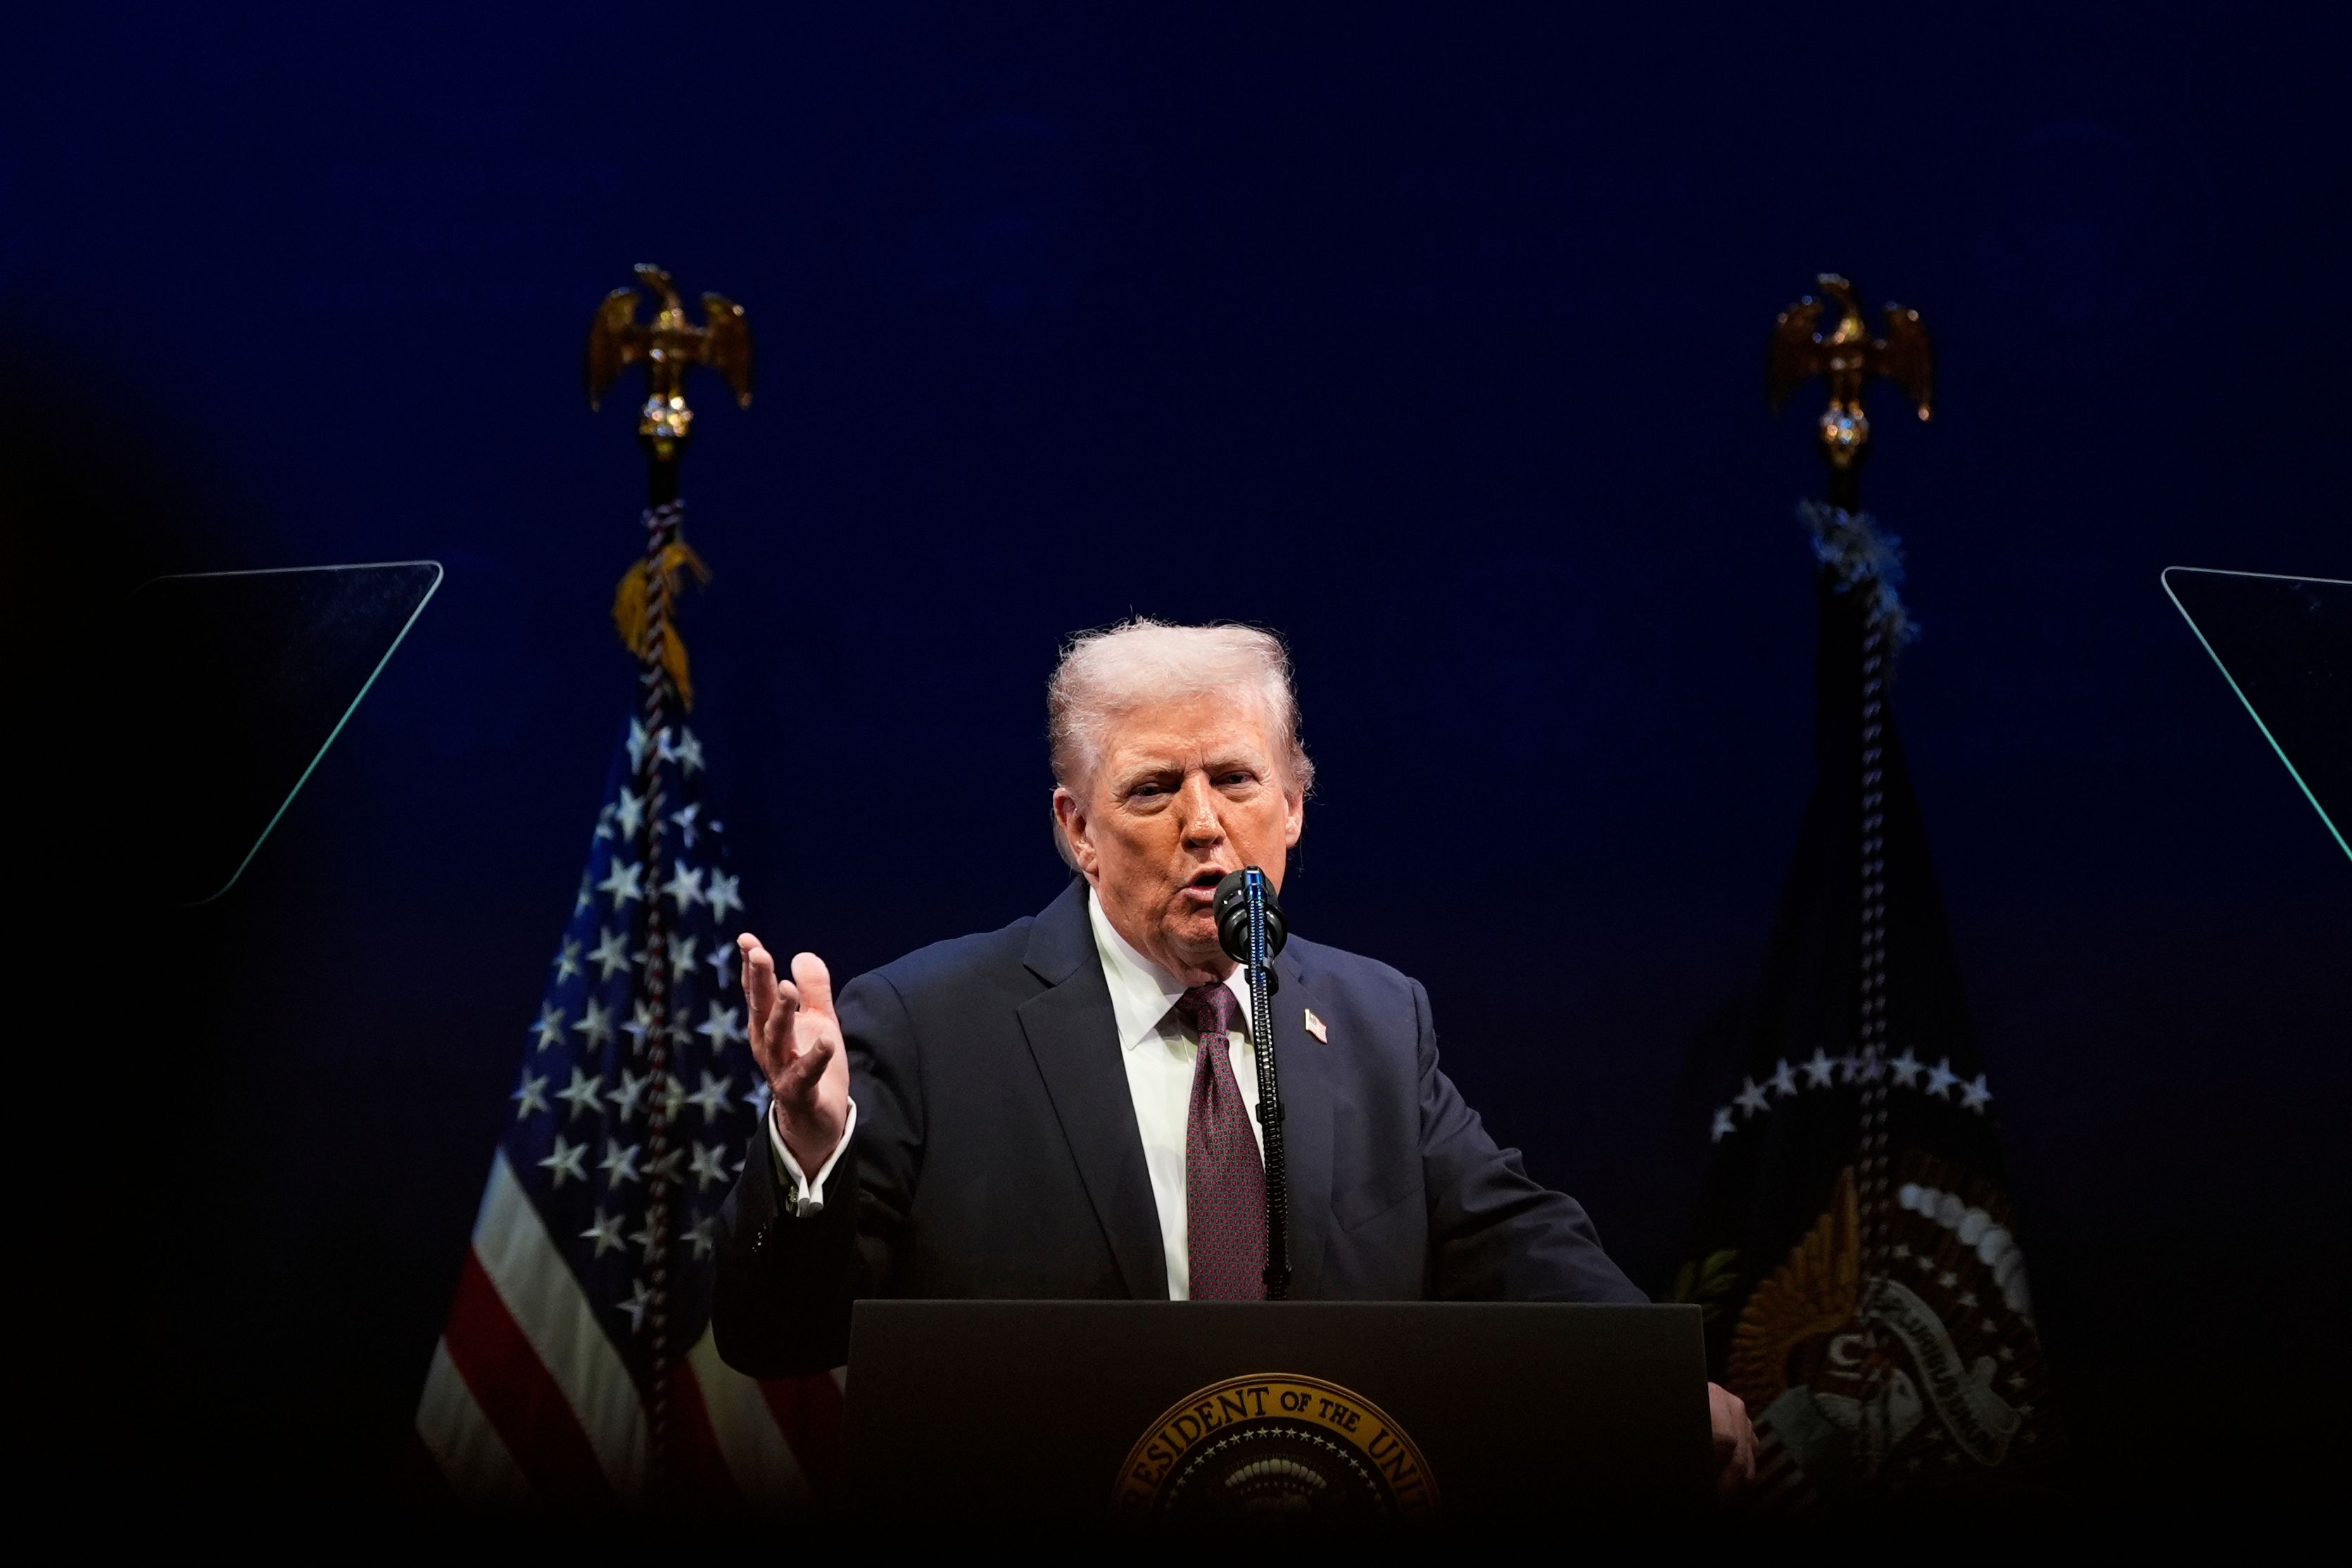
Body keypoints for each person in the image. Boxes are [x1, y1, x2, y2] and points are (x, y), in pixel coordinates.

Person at [715, 618, 1755, 1493]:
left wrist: (1651, 1380)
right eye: (1152, 789)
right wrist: (810, 1156)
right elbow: (775, 1337)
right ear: (1077, 830)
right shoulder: (926, 1023)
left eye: (1236, 779)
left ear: (1293, 807)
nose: (1203, 824)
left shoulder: (1376, 1018)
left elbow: (1513, 1242)